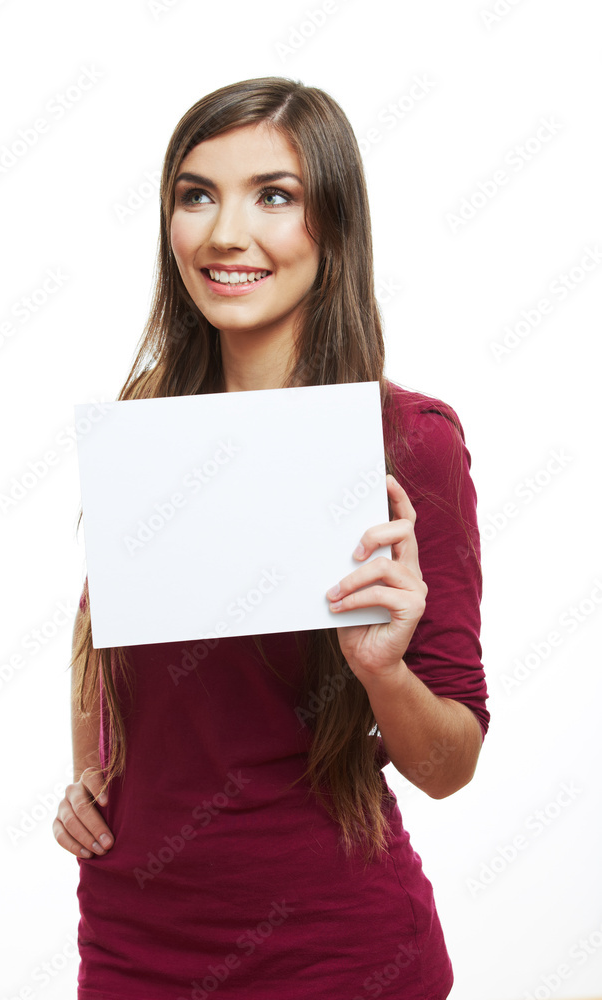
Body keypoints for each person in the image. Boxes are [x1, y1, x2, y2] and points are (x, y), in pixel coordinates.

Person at [52, 76, 490, 999]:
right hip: (132, 941)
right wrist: (93, 774)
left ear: (334, 224)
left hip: (335, 954)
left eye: (274, 196)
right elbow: (100, 630)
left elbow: (449, 766)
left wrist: (382, 671)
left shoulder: (409, 441)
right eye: (196, 195)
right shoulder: (144, 431)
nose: (225, 233)